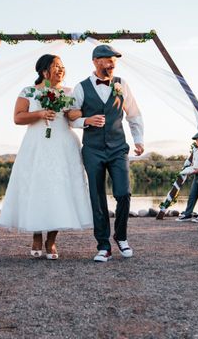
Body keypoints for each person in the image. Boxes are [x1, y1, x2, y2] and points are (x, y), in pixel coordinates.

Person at [0, 54, 93, 260]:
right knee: (37, 187)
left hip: (63, 144)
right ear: (44, 71)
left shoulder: (69, 92)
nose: (61, 69)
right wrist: (40, 114)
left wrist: (81, 114)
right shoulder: (29, 91)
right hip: (37, 145)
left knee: (60, 190)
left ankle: (51, 240)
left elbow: (73, 116)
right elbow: (18, 117)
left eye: (62, 66)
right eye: (56, 66)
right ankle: (36, 235)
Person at [70, 45, 144, 262]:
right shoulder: (81, 87)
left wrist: (138, 140)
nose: (112, 63)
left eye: (114, 60)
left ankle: (121, 236)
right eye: (107, 59)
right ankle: (103, 246)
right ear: (95, 61)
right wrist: (86, 121)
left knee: (124, 193)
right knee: (97, 196)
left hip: (118, 148)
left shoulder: (122, 84)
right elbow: (70, 117)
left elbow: (134, 114)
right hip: (92, 149)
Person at [176, 131, 198, 223]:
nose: (197, 142)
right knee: (192, 195)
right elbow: (194, 163)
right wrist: (190, 170)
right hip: (196, 174)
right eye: (196, 140)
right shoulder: (195, 150)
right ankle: (188, 214)